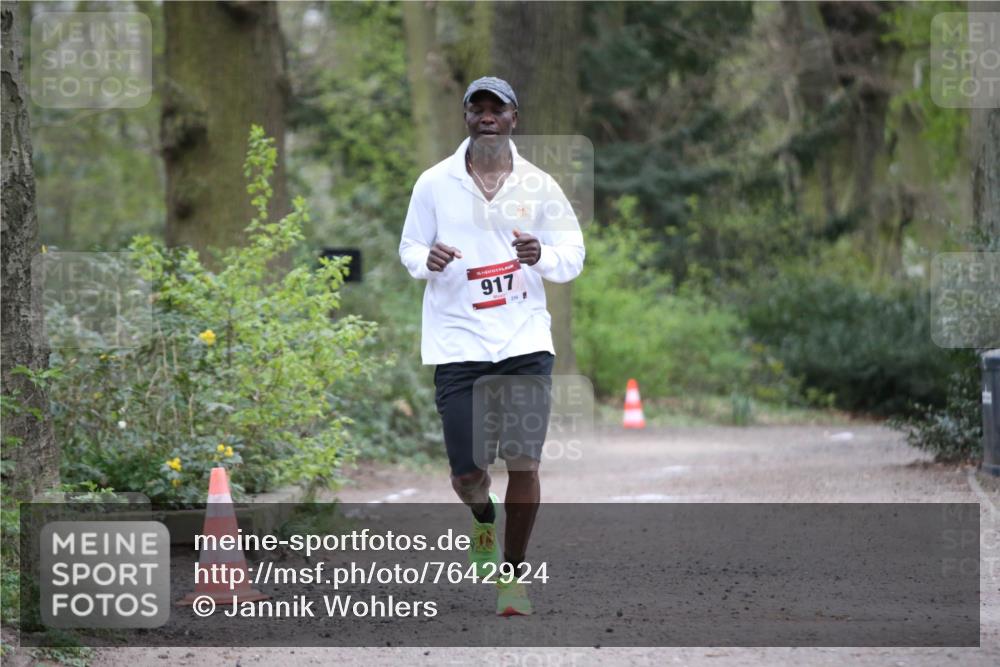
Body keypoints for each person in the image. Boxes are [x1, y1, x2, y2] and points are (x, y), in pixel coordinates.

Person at [399, 76, 585, 616]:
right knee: (467, 475)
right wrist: (424, 259)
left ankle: (512, 576)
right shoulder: (433, 184)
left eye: (496, 109)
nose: (486, 116)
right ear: (465, 118)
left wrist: (541, 255)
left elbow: (572, 253)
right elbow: (410, 246)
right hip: (458, 342)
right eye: (477, 108)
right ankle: (483, 519)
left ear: (512, 118)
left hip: (524, 339)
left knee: (523, 462)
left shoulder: (539, 185)